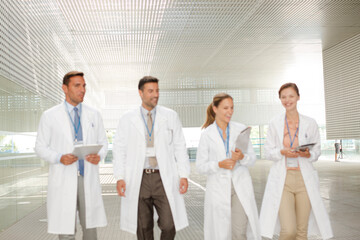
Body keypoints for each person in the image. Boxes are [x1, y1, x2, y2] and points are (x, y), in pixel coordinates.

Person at [113, 76, 190, 240]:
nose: (155, 94)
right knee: (143, 227)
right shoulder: (127, 119)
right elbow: (119, 150)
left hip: (163, 177)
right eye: (150, 91)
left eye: (157, 90)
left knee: (169, 225)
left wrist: (184, 175)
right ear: (140, 93)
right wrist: (119, 177)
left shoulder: (170, 116)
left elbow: (180, 147)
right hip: (139, 178)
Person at [35, 71, 108, 240]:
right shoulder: (50, 116)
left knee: (90, 229)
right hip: (64, 176)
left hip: (86, 176)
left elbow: (104, 143)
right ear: (65, 88)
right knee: (66, 229)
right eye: (77, 86)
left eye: (84, 86)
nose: (82, 90)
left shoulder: (94, 114)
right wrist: (58, 157)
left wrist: (100, 156)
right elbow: (40, 147)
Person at [260, 83, 333, 240]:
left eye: (291, 96)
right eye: (283, 97)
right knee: (288, 230)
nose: (287, 100)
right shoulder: (275, 122)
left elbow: (317, 151)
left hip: (304, 180)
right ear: (280, 99)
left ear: (298, 97)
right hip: (283, 179)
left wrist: (308, 154)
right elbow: (267, 152)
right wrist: (282, 151)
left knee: (301, 232)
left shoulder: (310, 123)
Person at [196, 93, 261, 240]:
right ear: (215, 109)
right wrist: (218, 164)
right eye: (225, 108)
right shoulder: (207, 134)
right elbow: (200, 166)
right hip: (218, 187)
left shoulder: (240, 129)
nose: (230, 111)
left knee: (239, 232)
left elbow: (252, 159)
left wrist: (242, 157)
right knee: (221, 233)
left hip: (240, 185)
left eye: (232, 108)